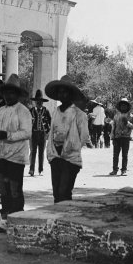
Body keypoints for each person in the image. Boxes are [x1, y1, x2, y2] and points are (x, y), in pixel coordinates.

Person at [0, 74, 31, 233]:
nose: (8, 96)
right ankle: (4, 221)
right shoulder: (0, 110)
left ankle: (17, 222)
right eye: (6, 93)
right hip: (1, 155)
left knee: (15, 190)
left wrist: (7, 135)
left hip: (17, 157)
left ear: (17, 95)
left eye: (12, 93)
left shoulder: (23, 111)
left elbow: (27, 133)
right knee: (3, 189)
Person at [45, 75, 90, 203]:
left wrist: (71, 147)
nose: (62, 94)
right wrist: (52, 152)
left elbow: (84, 136)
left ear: (70, 94)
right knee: (56, 193)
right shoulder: (56, 111)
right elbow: (52, 132)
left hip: (70, 159)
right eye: (60, 92)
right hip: (55, 156)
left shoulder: (79, 114)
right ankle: (56, 221)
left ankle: (65, 220)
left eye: (65, 92)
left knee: (64, 192)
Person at [28, 89, 51, 177]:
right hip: (33, 134)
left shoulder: (46, 111)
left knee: (41, 152)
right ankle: (31, 169)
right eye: (37, 102)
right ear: (35, 102)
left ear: (42, 102)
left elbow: (50, 121)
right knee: (33, 151)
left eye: (40, 102)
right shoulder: (31, 110)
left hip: (42, 134)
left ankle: (40, 169)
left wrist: (48, 131)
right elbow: (27, 121)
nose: (39, 103)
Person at [110, 97, 133, 176]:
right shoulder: (116, 115)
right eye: (122, 105)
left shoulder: (130, 116)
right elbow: (113, 126)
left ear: (127, 106)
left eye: (125, 105)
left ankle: (123, 170)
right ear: (120, 106)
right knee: (115, 155)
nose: (123, 107)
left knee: (125, 155)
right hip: (117, 137)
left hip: (126, 137)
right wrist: (112, 136)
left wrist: (127, 123)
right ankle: (114, 170)